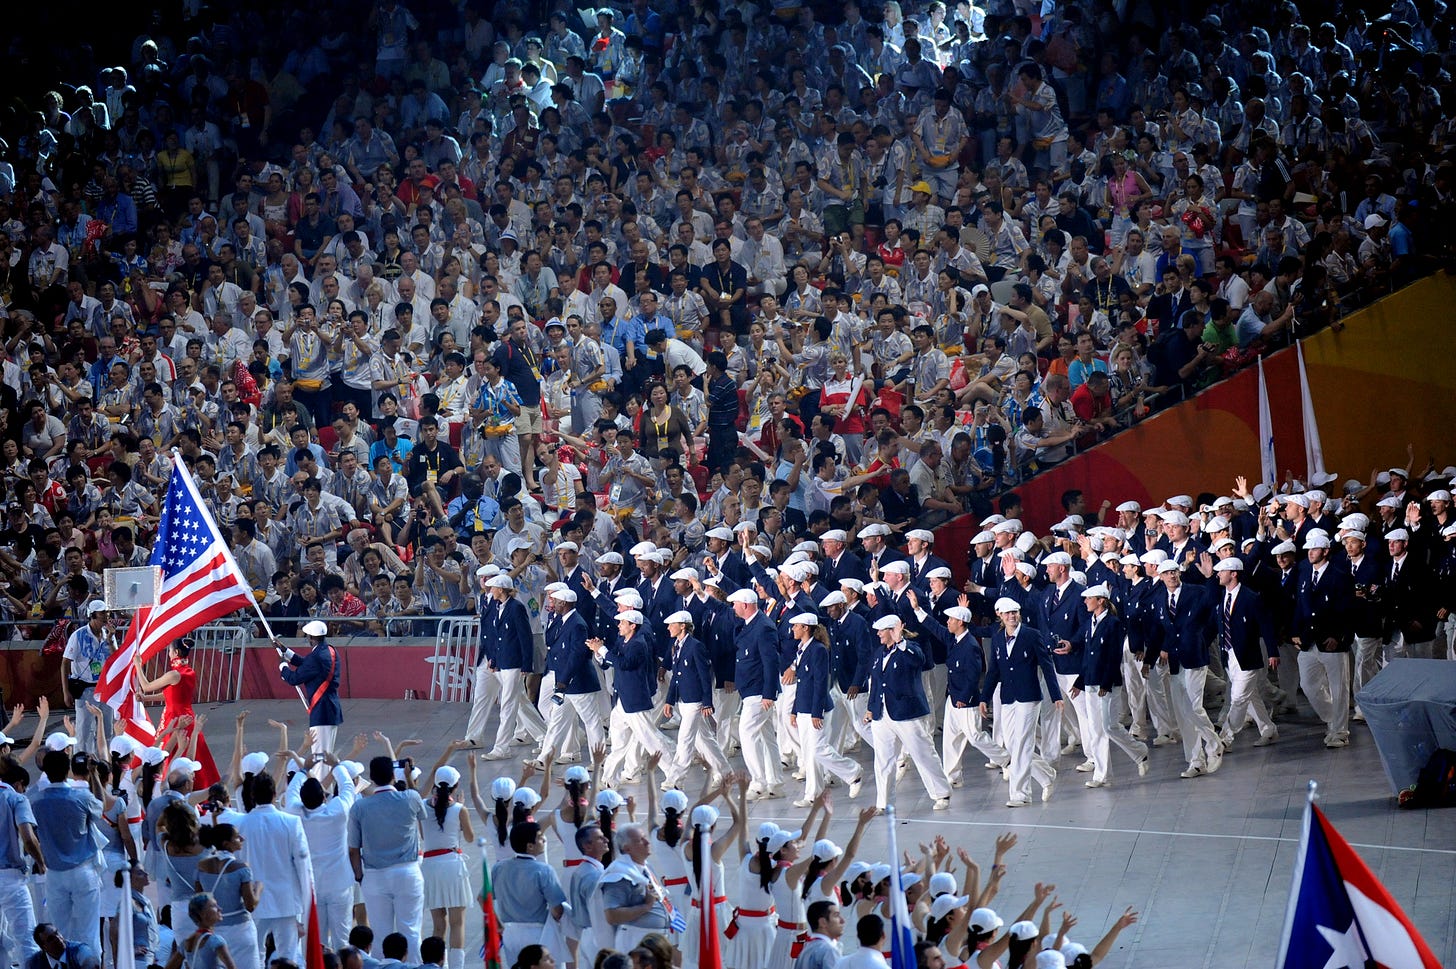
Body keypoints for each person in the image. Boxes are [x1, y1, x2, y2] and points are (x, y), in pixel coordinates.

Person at [862, 613, 953, 811]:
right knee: (883, 759)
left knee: (922, 752)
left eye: (882, 630)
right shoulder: (879, 653)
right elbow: (875, 682)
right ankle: (883, 802)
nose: (878, 634)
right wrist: (870, 708)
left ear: (892, 631)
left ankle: (941, 793)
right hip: (882, 713)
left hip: (906, 712)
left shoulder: (910, 649)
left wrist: (901, 641)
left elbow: (918, 660)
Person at [981, 597, 1060, 807]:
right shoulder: (998, 638)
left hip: (1029, 697)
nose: (1011, 617)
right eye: (1007, 614)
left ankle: (1020, 794)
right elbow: (993, 671)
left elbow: (1047, 666)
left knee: (1023, 744)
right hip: (1007, 697)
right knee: (1012, 743)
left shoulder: (1032, 635)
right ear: (1001, 616)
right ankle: (1046, 774)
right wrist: (984, 698)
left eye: (1014, 613)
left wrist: (1056, 695)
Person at [349, 757, 428, 962]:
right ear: (394, 776)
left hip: (375, 876)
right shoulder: (410, 797)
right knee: (411, 931)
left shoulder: (360, 808)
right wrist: (409, 777)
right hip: (407, 872)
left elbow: (353, 849)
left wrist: (360, 876)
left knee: (380, 934)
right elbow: (422, 814)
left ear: (372, 779)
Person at [235, 772, 312, 967]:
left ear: (252, 796)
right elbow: (303, 865)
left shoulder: (240, 824)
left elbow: (235, 863)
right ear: (275, 794)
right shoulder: (291, 822)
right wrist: (307, 901)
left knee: (255, 955)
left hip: (253, 900)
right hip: (285, 899)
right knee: (288, 955)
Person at [32, 750, 104, 955]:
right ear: (68, 770)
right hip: (83, 871)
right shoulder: (81, 796)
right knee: (89, 933)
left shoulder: (35, 799)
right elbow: (100, 808)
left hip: (54, 873)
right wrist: (95, 775)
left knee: (59, 932)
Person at [134, 639, 220, 788]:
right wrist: (146, 699)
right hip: (187, 717)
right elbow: (171, 695)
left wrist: (137, 665)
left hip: (175, 720)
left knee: (170, 755)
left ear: (176, 652)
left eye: (169, 650)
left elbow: (146, 686)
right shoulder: (189, 671)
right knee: (190, 756)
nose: (168, 653)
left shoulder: (173, 674)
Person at [491, 821, 567, 968]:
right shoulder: (544, 870)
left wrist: (496, 923)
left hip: (510, 933)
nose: (544, 839)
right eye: (539, 837)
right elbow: (558, 909)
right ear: (530, 846)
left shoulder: (499, 867)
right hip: (538, 932)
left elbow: (483, 898)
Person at [274, 620, 343, 768]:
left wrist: (282, 666)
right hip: (330, 709)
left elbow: (293, 678)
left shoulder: (316, 657)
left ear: (311, 637)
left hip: (321, 711)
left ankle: (322, 788)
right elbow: (307, 664)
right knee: (326, 756)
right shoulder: (329, 650)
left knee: (321, 759)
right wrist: (285, 651)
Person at [1, 755, 45, 968]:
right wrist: (41, 862)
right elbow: (28, 837)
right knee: (26, 938)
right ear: (18, 784)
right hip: (10, 879)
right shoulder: (16, 799)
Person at [62, 601, 114, 755]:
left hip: (104, 688)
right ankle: (83, 764)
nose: (106, 617)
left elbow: (116, 657)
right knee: (84, 732)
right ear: (92, 616)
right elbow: (65, 663)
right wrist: (66, 691)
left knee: (107, 730)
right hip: (84, 689)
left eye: (107, 613)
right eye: (102, 613)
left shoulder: (108, 635)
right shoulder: (78, 636)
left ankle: (104, 763)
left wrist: (111, 639)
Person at [162, 894, 238, 969]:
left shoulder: (186, 943)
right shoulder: (216, 941)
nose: (220, 908)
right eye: (214, 906)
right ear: (202, 914)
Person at [26, 924, 101, 969]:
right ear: (44, 947)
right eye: (51, 939)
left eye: (57, 933)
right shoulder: (35, 963)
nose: (58, 939)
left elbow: (91, 963)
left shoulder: (80, 950)